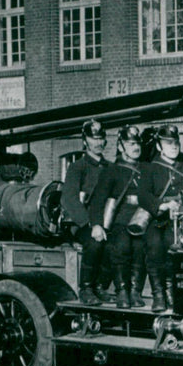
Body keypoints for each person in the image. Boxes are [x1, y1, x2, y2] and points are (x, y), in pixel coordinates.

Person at [138, 125, 183, 311]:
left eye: (176, 142)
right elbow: (143, 195)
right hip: (158, 219)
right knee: (155, 246)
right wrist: (161, 205)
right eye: (168, 143)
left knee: (174, 247)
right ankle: (158, 294)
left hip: (182, 219)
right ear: (159, 146)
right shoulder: (150, 168)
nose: (174, 146)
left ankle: (172, 292)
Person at [91, 125, 147, 308]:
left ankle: (135, 291)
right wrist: (97, 225)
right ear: (121, 146)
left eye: (137, 143)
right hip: (120, 220)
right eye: (131, 144)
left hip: (142, 219)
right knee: (121, 246)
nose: (136, 147)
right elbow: (98, 200)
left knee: (140, 248)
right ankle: (122, 291)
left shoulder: (146, 169)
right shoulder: (112, 170)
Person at [61, 119, 111, 305]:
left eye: (101, 138)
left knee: (116, 244)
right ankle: (86, 288)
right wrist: (89, 224)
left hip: (106, 222)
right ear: (85, 141)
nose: (98, 142)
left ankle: (101, 287)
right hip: (81, 224)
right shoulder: (77, 167)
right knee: (95, 243)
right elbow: (69, 199)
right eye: (93, 138)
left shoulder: (109, 167)